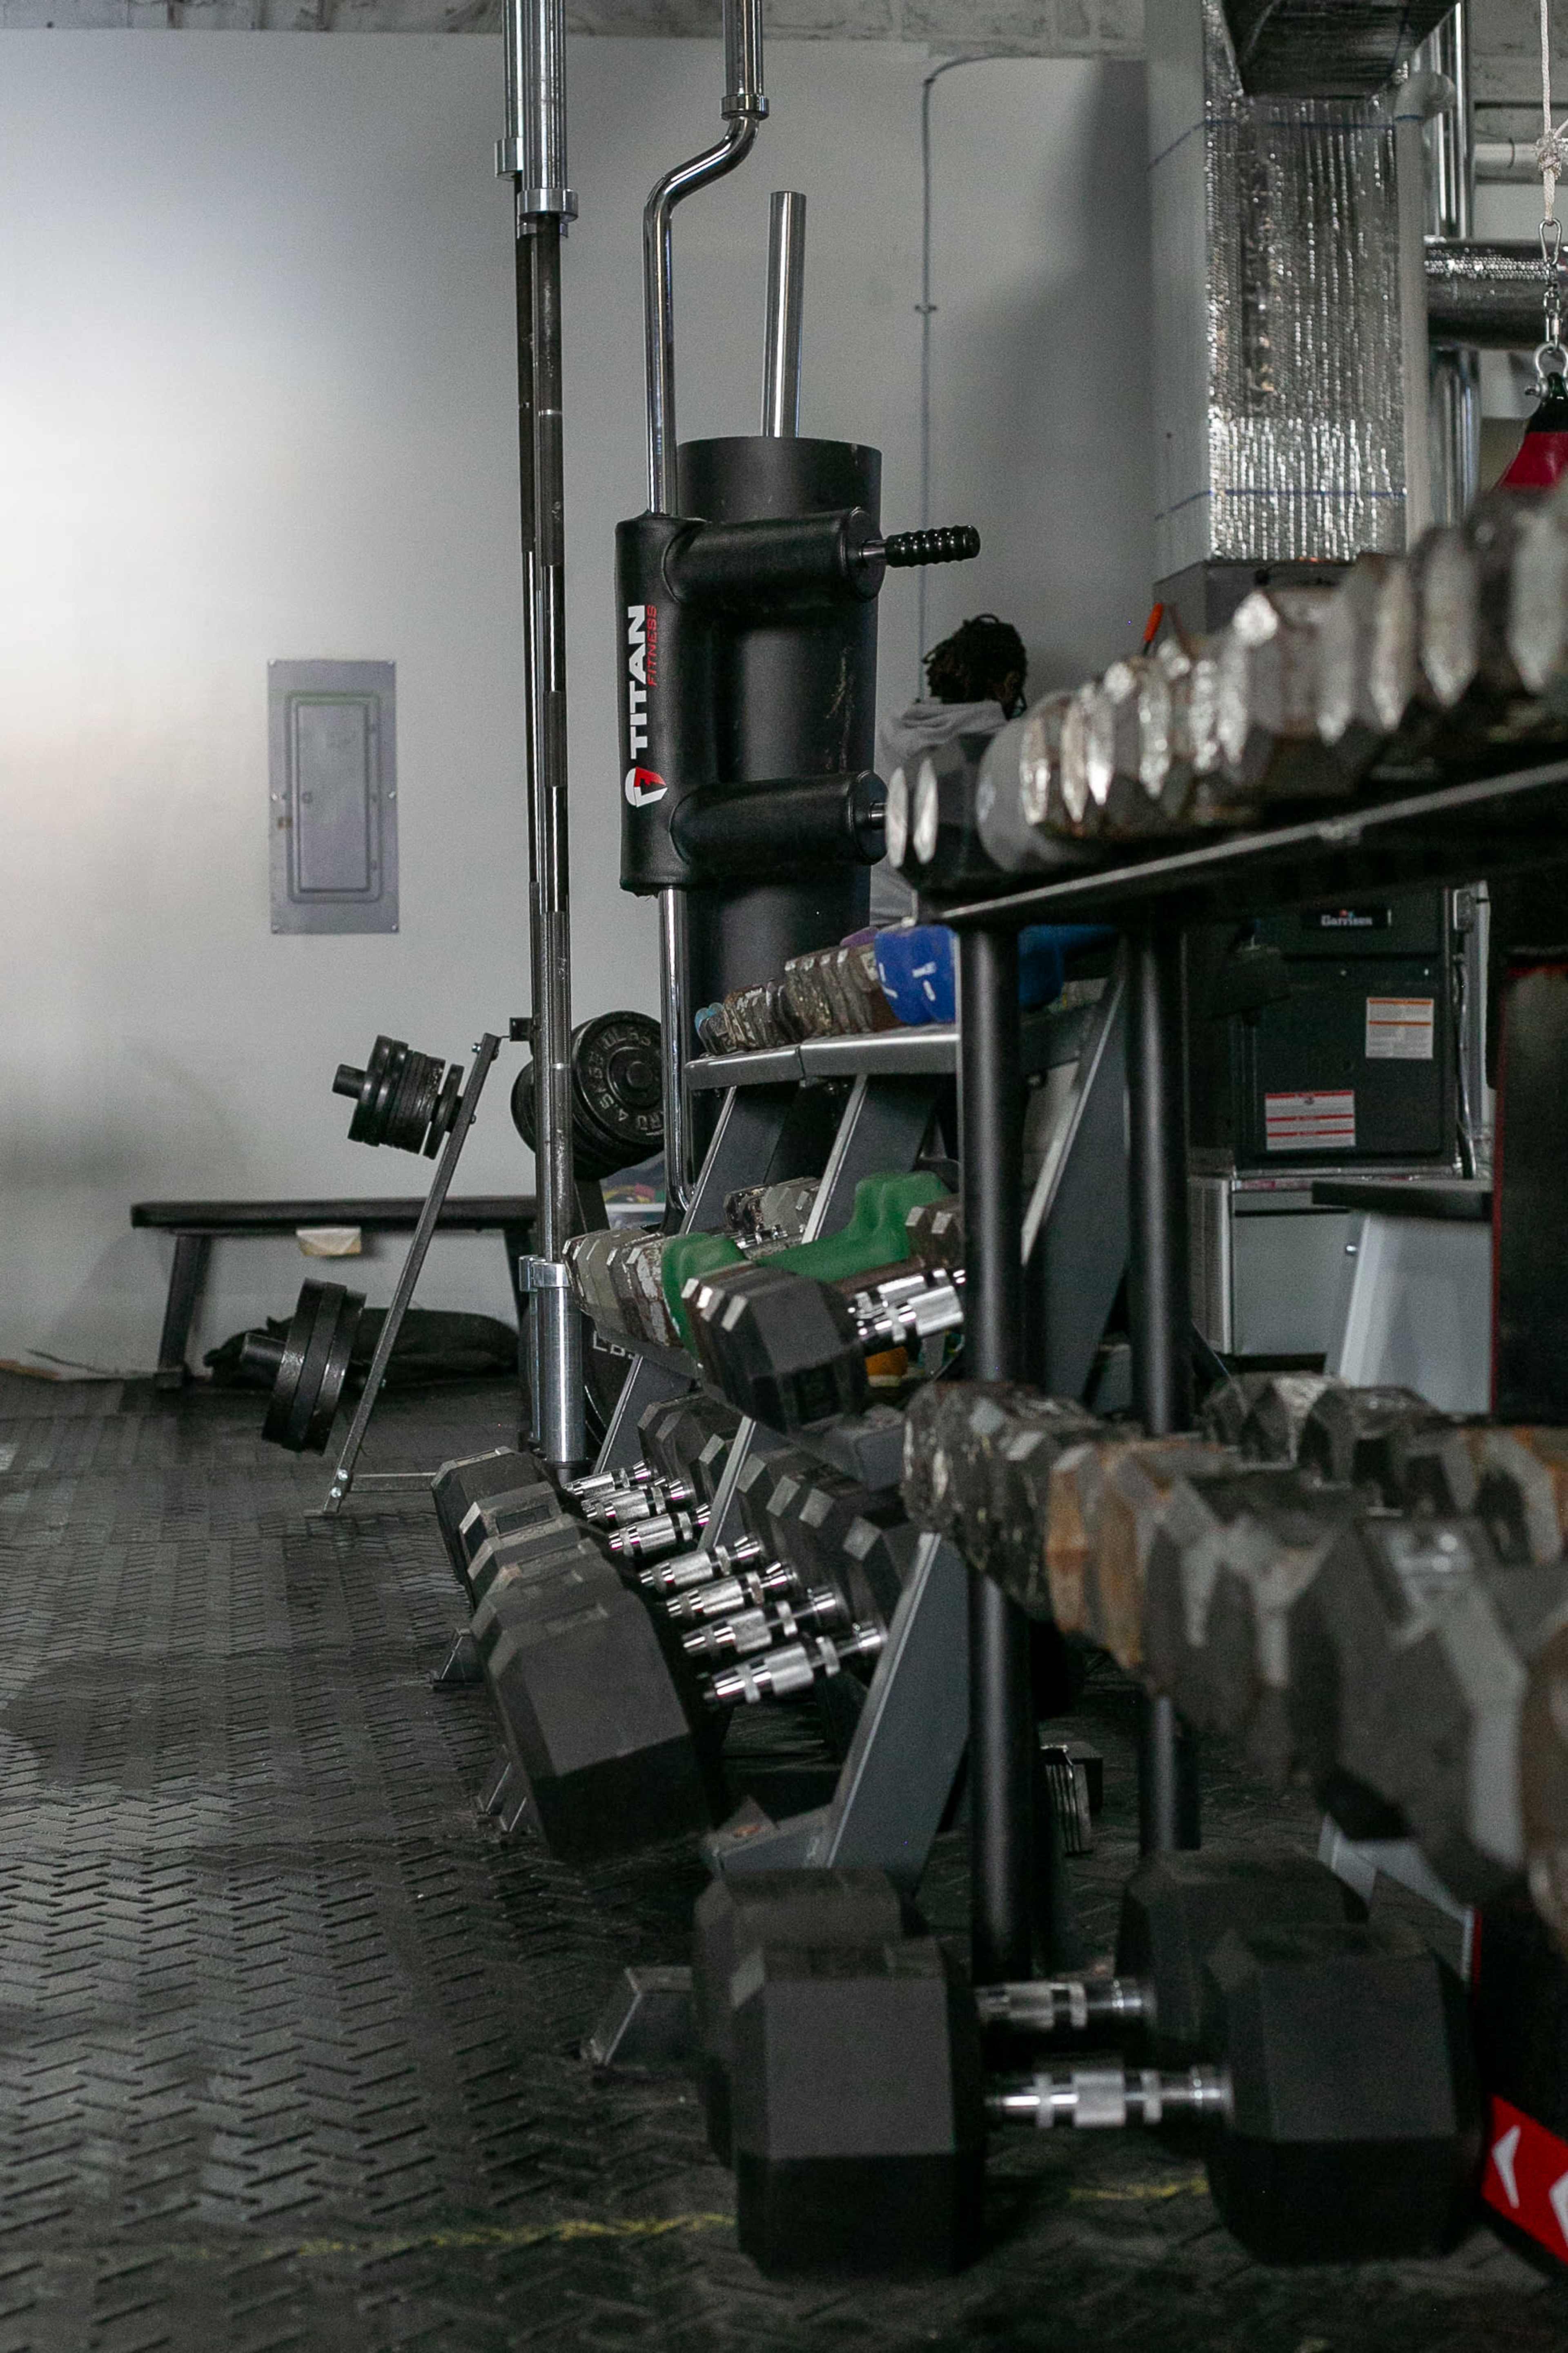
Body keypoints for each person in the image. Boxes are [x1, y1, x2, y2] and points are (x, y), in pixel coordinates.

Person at [869, 613, 1029, 925]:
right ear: (1009, 685)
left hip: (867, 921)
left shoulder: (885, 731)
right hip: (945, 925)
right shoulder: (1001, 746)